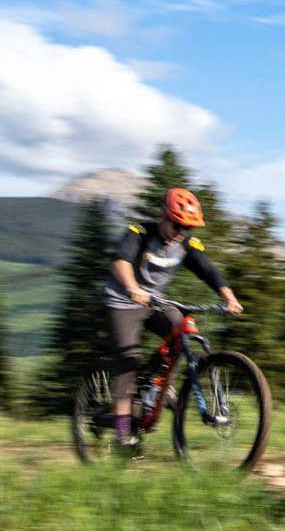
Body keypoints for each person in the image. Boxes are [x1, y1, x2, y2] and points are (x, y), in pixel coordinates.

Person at [102, 187, 243, 451]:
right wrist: (132, 288)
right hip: (122, 301)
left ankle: (158, 383)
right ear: (162, 216)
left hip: (155, 302)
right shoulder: (140, 232)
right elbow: (121, 261)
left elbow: (208, 270)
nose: (181, 232)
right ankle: (122, 434)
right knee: (128, 366)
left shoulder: (186, 243)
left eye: (188, 228)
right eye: (177, 225)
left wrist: (230, 298)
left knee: (184, 331)